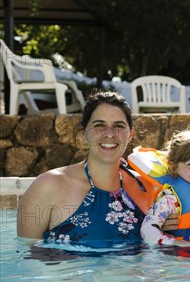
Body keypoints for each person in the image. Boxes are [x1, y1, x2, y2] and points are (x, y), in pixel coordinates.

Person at [17, 91, 154, 245]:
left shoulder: (147, 188)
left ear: (130, 134)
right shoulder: (47, 186)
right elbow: (26, 259)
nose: (109, 134)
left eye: (118, 126)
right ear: (84, 133)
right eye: (99, 125)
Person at [129, 129, 190, 246]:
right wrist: (175, 243)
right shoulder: (170, 199)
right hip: (179, 258)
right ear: (173, 167)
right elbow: (147, 231)